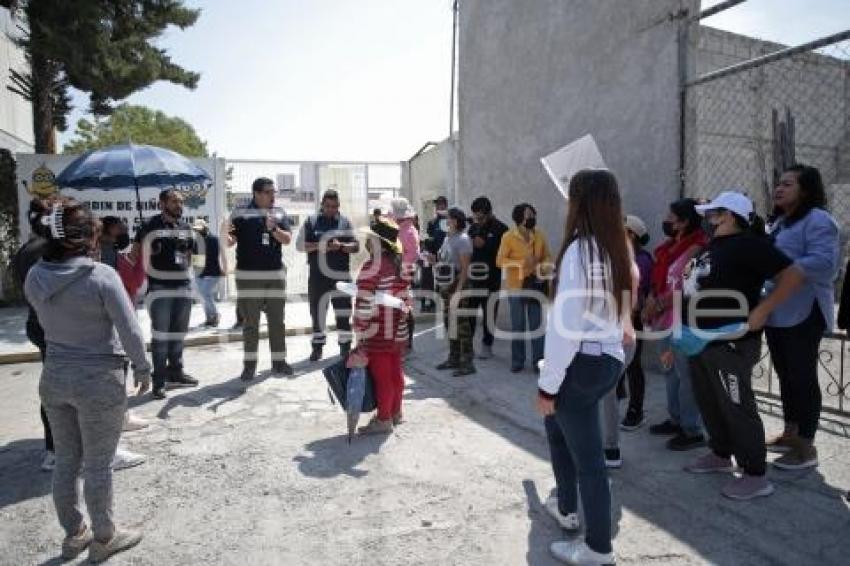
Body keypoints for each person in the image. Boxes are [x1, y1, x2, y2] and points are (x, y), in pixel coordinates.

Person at [25, 199, 152, 563]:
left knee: (66, 460)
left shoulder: (35, 276)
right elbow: (128, 329)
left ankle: (74, 534)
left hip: (54, 375)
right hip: (98, 379)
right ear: (85, 237)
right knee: (98, 464)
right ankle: (105, 537)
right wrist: (142, 368)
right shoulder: (101, 276)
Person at [537, 169, 634, 565]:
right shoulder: (616, 247)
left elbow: (566, 327)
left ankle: (598, 549)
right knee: (558, 430)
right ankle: (567, 505)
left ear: (579, 203)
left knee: (590, 462)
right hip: (607, 360)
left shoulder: (582, 250)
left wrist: (547, 385)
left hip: (584, 361)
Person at [681, 191, 804, 500]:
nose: (708, 219)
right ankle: (721, 454)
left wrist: (762, 310)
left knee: (737, 406)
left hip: (731, 341)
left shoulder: (750, 245)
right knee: (709, 400)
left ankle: (755, 473)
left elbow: (793, 275)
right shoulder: (714, 246)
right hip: (699, 340)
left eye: (713, 213)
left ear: (729, 215)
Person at [764, 164, 840, 469]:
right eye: (778, 184)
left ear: (806, 190)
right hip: (777, 310)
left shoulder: (819, 220)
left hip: (804, 311)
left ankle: (806, 447)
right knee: (785, 375)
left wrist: (783, 272)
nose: (779, 189)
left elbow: (825, 264)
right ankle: (790, 432)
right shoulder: (782, 222)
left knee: (802, 377)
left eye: (788, 184)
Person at [645, 198, 708, 450]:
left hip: (681, 318)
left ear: (684, 221)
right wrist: (652, 297)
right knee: (669, 371)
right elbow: (659, 277)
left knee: (686, 375)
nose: (666, 221)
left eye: (671, 216)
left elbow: (688, 288)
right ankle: (676, 418)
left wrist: (658, 303)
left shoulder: (698, 248)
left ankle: (692, 430)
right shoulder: (670, 246)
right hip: (663, 317)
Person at [131, 189, 198, 399]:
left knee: (179, 333)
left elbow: (190, 256)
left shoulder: (186, 227)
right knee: (161, 337)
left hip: (183, 287)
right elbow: (134, 255)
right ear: (162, 204)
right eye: (174, 201)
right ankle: (158, 380)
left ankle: (175, 372)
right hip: (160, 288)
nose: (179, 205)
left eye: (181, 201)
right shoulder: (148, 226)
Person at [226, 177, 294, 381]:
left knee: (277, 321)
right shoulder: (240, 214)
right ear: (256, 193)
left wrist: (274, 229)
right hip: (249, 277)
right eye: (268, 192)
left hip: (274, 274)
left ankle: (279, 362)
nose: (273, 196)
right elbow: (230, 241)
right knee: (251, 323)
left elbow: (288, 239)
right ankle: (249, 366)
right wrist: (223, 234)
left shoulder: (279, 213)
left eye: (274, 192)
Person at [349, 216, 411, 434]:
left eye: (370, 238)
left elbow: (364, 300)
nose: (366, 242)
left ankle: (383, 419)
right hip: (397, 330)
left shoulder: (372, 266)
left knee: (382, 376)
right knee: (396, 372)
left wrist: (359, 329)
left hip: (378, 331)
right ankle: (396, 412)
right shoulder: (399, 264)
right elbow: (406, 298)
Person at [12, 198, 54, 471]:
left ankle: (53, 447)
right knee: (58, 390)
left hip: (38, 325)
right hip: (54, 328)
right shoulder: (47, 249)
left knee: (52, 385)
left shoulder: (26, 249)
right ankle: (56, 448)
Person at [296, 189, 358, 362]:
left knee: (343, 314)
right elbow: (300, 245)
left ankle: (345, 348)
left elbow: (356, 246)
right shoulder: (311, 221)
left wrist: (342, 246)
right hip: (318, 277)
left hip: (341, 276)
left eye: (335, 206)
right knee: (317, 314)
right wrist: (320, 246)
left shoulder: (345, 222)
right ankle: (317, 348)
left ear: (339, 206)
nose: (331, 209)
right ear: (322, 205)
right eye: (328, 206)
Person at [496, 203, 551, 373]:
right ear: (519, 218)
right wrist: (521, 263)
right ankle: (518, 361)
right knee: (518, 326)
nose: (532, 218)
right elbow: (499, 261)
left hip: (535, 285)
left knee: (537, 325)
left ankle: (538, 361)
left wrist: (543, 267)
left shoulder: (539, 235)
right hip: (516, 287)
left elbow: (547, 257)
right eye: (529, 215)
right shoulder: (508, 237)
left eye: (533, 214)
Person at [431, 207, 476, 376]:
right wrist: (432, 261)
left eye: (448, 218)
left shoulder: (463, 239)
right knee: (450, 323)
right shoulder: (447, 238)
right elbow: (444, 262)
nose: (445, 221)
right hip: (446, 285)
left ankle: (467, 363)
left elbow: (465, 269)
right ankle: (454, 358)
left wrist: (458, 291)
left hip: (458, 285)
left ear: (456, 221)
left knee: (462, 324)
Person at [621, 215, 654, 430]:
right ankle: (618, 394)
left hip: (632, 319)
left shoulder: (642, 259)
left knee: (633, 365)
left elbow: (637, 292)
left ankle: (636, 410)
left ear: (631, 234)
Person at [467, 196, 509, 359]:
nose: (478, 220)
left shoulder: (502, 229)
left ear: (489, 213)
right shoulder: (473, 228)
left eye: (481, 217)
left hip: (492, 279)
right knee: (469, 313)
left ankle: (487, 345)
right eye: (476, 217)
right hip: (474, 278)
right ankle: (467, 346)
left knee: (489, 314)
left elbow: (503, 255)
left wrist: (485, 245)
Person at [390, 197, 420, 349]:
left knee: (404, 306)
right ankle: (399, 339)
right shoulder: (397, 227)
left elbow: (413, 255)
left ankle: (408, 342)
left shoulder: (409, 231)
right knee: (396, 306)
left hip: (403, 273)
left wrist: (400, 268)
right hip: (394, 272)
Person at [191, 219, 226, 327]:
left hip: (212, 272)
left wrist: (224, 268)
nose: (197, 231)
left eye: (199, 229)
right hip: (200, 273)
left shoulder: (214, 239)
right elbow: (195, 257)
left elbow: (221, 255)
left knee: (205, 293)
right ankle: (209, 318)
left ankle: (215, 315)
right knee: (203, 296)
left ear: (205, 228)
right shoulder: (195, 241)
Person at [421, 195, 449, 312]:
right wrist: (427, 247)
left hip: (447, 255)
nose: (439, 206)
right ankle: (430, 302)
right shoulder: (432, 222)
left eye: (441, 204)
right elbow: (429, 238)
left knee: (444, 279)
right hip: (433, 255)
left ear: (446, 205)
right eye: (437, 204)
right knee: (427, 276)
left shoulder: (450, 220)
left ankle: (443, 302)